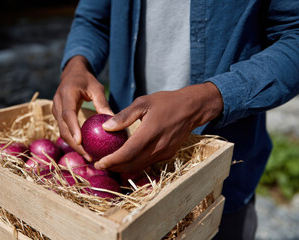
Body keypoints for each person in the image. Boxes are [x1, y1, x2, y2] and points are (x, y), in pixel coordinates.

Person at [52, 1, 299, 239]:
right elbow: (94, 17)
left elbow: (294, 35)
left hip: (219, 183)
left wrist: (206, 101)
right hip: (125, 181)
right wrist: (77, 63)